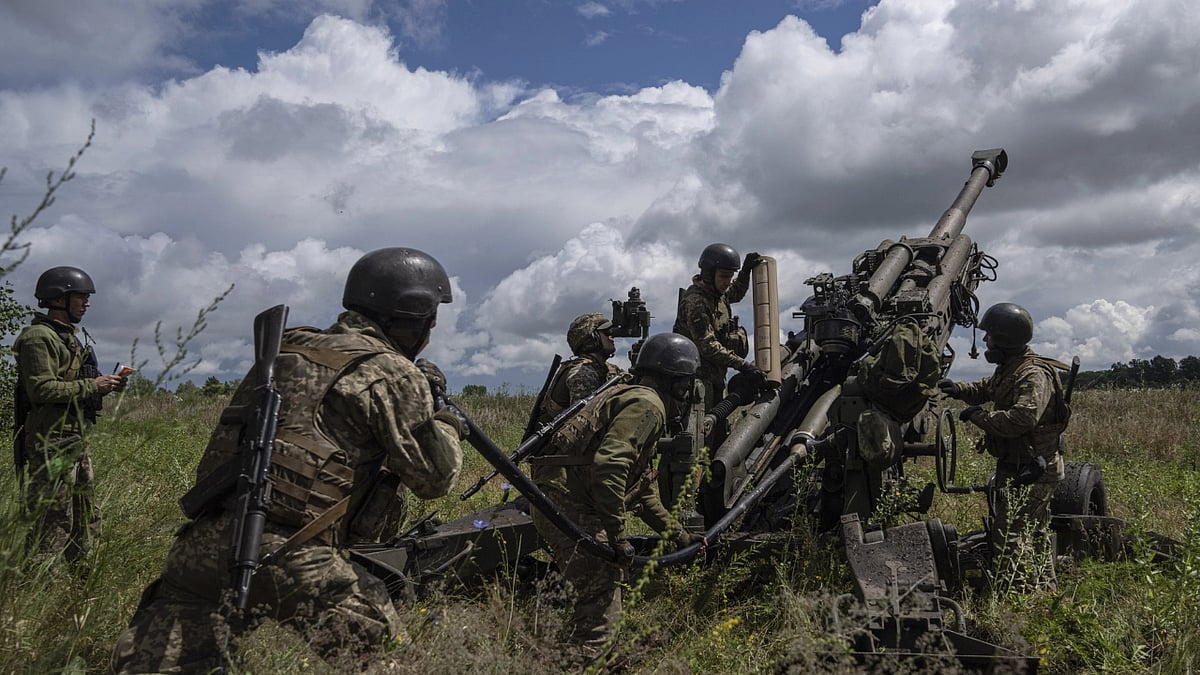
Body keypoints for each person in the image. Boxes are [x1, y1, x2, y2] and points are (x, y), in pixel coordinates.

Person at [111, 247, 465, 672]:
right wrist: (446, 423)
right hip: (292, 554)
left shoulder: (286, 349)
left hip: (202, 545)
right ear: (415, 316)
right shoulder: (389, 371)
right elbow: (435, 479)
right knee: (385, 659)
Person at [530, 332, 705, 654]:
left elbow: (642, 492)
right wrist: (617, 537)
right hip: (570, 503)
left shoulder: (632, 395)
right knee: (600, 601)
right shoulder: (647, 405)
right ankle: (585, 660)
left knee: (595, 595)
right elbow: (610, 467)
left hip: (558, 497)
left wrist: (679, 536)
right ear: (678, 383)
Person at [938, 302, 1070, 588]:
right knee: (1034, 531)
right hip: (1019, 466)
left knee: (1010, 534)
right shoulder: (1011, 368)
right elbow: (987, 388)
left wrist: (979, 417)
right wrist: (959, 390)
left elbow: (1022, 419)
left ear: (1006, 339)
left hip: (1034, 470)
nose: (985, 341)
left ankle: (1018, 593)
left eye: (990, 336)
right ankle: (1043, 589)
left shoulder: (1033, 374)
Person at [13, 265, 126, 562]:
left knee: (86, 516)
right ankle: (37, 589)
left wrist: (107, 386)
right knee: (53, 519)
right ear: (58, 298)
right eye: (80, 297)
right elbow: (41, 390)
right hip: (51, 441)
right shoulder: (39, 337)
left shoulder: (70, 338)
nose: (86, 304)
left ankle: (81, 581)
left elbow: (75, 384)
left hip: (74, 438)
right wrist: (92, 385)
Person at [673, 243, 767, 419]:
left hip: (715, 378)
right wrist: (743, 365)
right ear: (709, 274)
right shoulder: (696, 302)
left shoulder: (717, 295)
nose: (727, 282)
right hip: (696, 381)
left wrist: (745, 272)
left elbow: (735, 293)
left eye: (731, 277)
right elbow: (707, 345)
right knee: (702, 432)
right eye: (724, 276)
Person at [532, 312, 625, 427]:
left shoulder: (606, 368)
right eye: (606, 333)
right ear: (591, 338)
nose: (612, 336)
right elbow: (583, 425)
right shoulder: (582, 374)